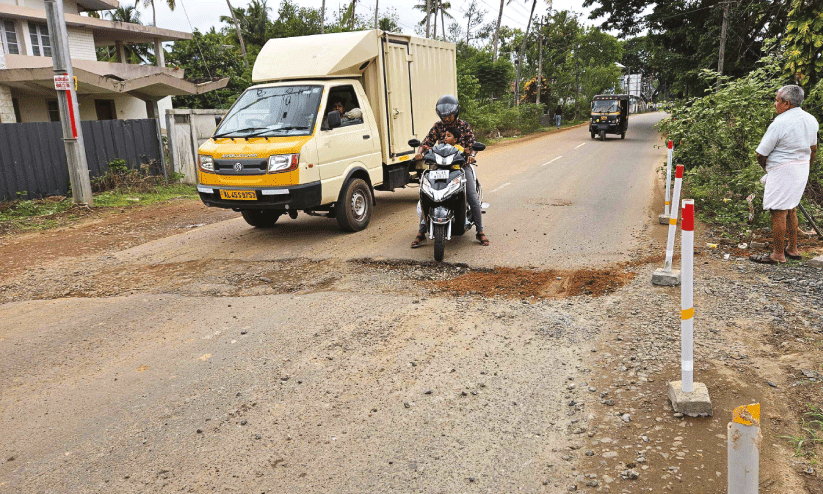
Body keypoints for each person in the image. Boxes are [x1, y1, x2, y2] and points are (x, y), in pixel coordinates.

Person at [749, 84, 818, 264]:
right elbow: (813, 149)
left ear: (786, 103)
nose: (775, 104)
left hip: (783, 169)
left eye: (777, 100)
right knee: (791, 208)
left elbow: (761, 154)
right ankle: (792, 249)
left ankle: (778, 254)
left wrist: (767, 169)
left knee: (778, 211)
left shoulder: (780, 122)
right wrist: (807, 168)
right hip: (801, 167)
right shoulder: (811, 119)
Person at [411, 94, 489, 248]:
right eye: (444, 116)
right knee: (427, 195)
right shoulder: (437, 127)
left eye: (449, 115)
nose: (446, 118)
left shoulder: (464, 126)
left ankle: (479, 231)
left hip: (460, 166)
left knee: (472, 196)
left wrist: (472, 156)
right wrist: (420, 152)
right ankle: (421, 232)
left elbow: (473, 144)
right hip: (440, 166)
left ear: (456, 112)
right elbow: (426, 143)